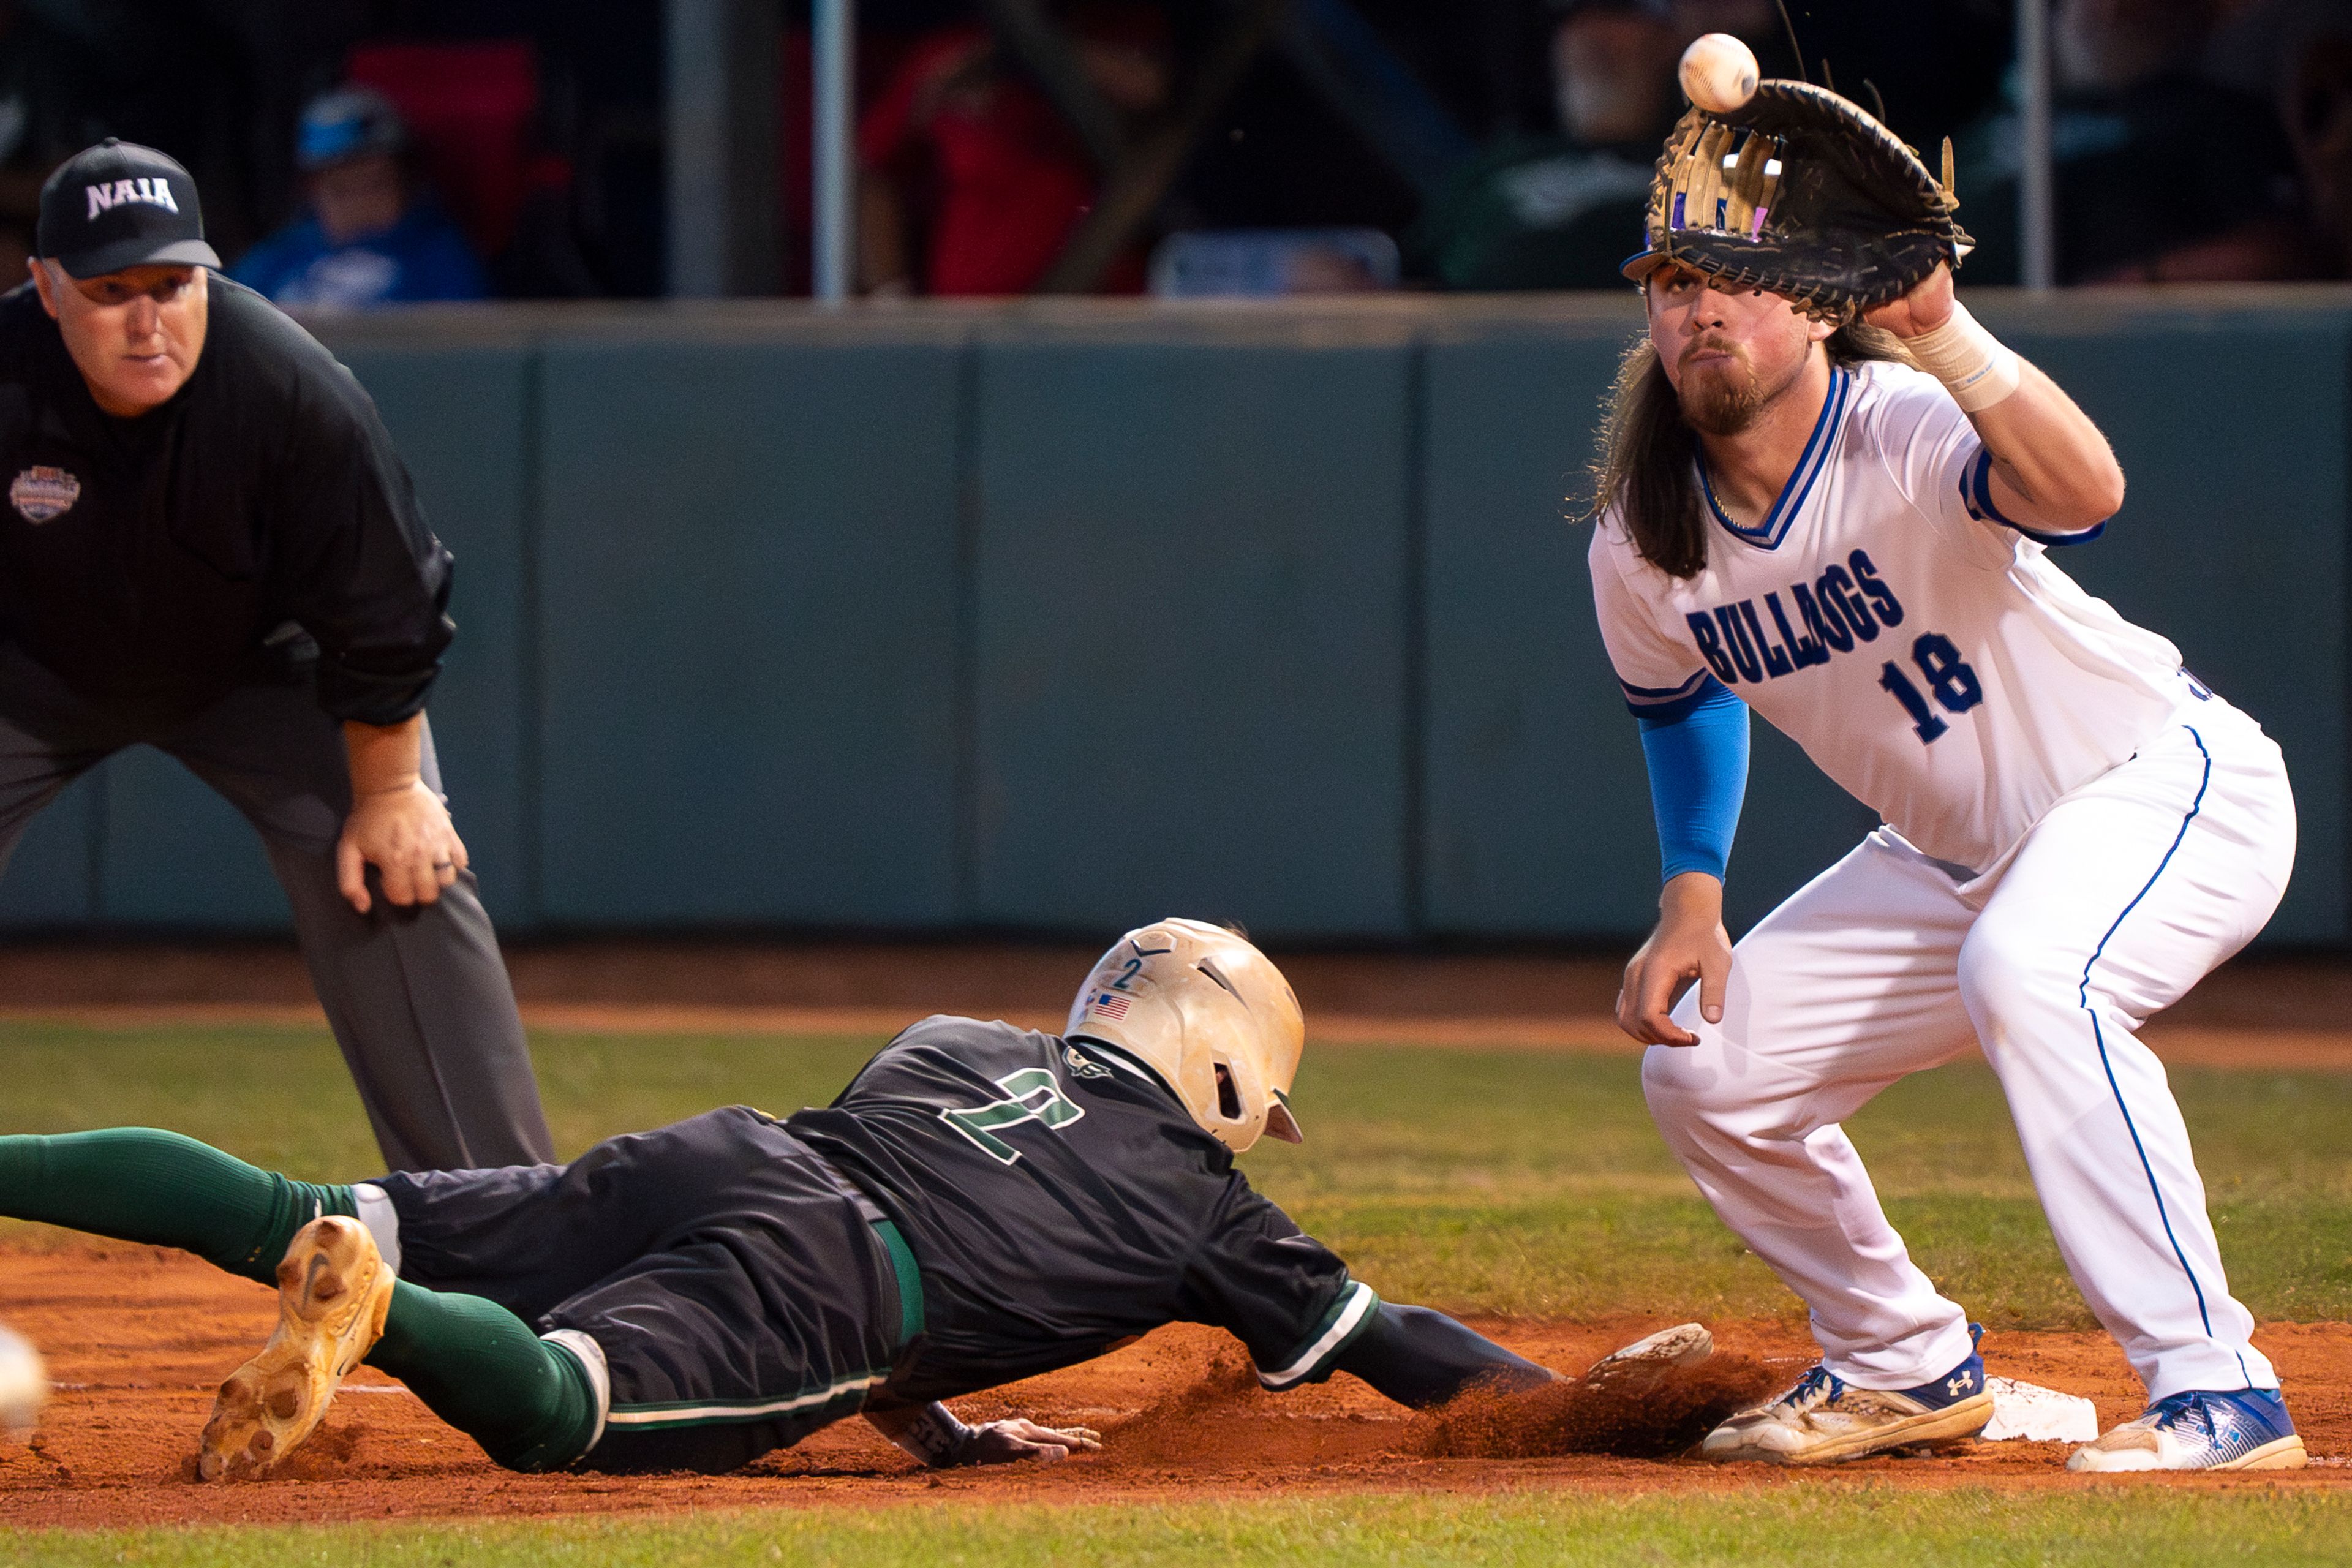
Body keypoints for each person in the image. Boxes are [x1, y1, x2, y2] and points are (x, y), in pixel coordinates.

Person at [1590, 92, 2307, 1470]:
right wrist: (1693, 892)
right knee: (1712, 1072)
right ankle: (1903, 1361)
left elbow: (2087, 493)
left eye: (1737, 278)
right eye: (1675, 284)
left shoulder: (1895, 421)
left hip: (2164, 785)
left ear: (1809, 308)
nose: (1701, 311)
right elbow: (1682, 703)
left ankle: (2220, 1387)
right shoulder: (1643, 535)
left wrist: (1947, 334)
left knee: (2034, 974)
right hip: (1954, 858)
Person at [0, 919, 1558, 1479]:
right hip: (832, 1284)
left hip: (735, 1153)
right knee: (555, 1406)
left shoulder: (954, 1036)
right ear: (1230, 1078)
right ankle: (384, 1308)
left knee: (295, 1193)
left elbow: (954, 1187)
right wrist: (1580, 1403)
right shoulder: (1211, 1209)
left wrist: (938, 1422)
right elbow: (1393, 1337)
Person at [0, 138, 551, 1174]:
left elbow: (386, 609)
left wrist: (389, 791)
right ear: (44, 287)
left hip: (257, 673)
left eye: (171, 283)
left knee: (401, 861)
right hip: (29, 676)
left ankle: (506, 1228)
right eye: (111, 289)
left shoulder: (290, 387)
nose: (147, 317)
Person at [1954, 0, 2318, 284]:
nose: (2110, 11)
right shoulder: (1995, 119)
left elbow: (2284, 250)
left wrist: (2135, 287)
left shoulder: (2216, 122)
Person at [858, 3, 1168, 296]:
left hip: (1103, 310)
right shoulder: (951, 56)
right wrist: (890, 301)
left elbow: (1153, 92)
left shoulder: (1122, 35)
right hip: (973, 317)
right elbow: (873, 167)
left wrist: (1036, 53)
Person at [1411, 0, 1683, 292]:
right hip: (1467, 331)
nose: (1592, 34)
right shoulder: (1498, 166)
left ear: (1673, 41)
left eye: (1617, 13)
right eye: (1575, 17)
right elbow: (1408, 274)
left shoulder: (1706, 168)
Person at [233, 87, 488, 310]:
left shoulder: (439, 260)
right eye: (340, 190)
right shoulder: (280, 257)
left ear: (408, 185)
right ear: (312, 193)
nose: (360, 203)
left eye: (376, 185)